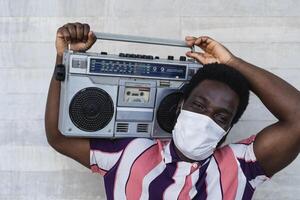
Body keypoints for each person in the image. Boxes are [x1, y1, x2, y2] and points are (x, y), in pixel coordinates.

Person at [45, 22, 300, 200]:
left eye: (221, 117)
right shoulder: (128, 153)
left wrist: (232, 63)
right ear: (180, 106)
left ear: (228, 128)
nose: (206, 119)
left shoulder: (242, 167)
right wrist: (64, 58)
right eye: (199, 106)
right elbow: (58, 136)